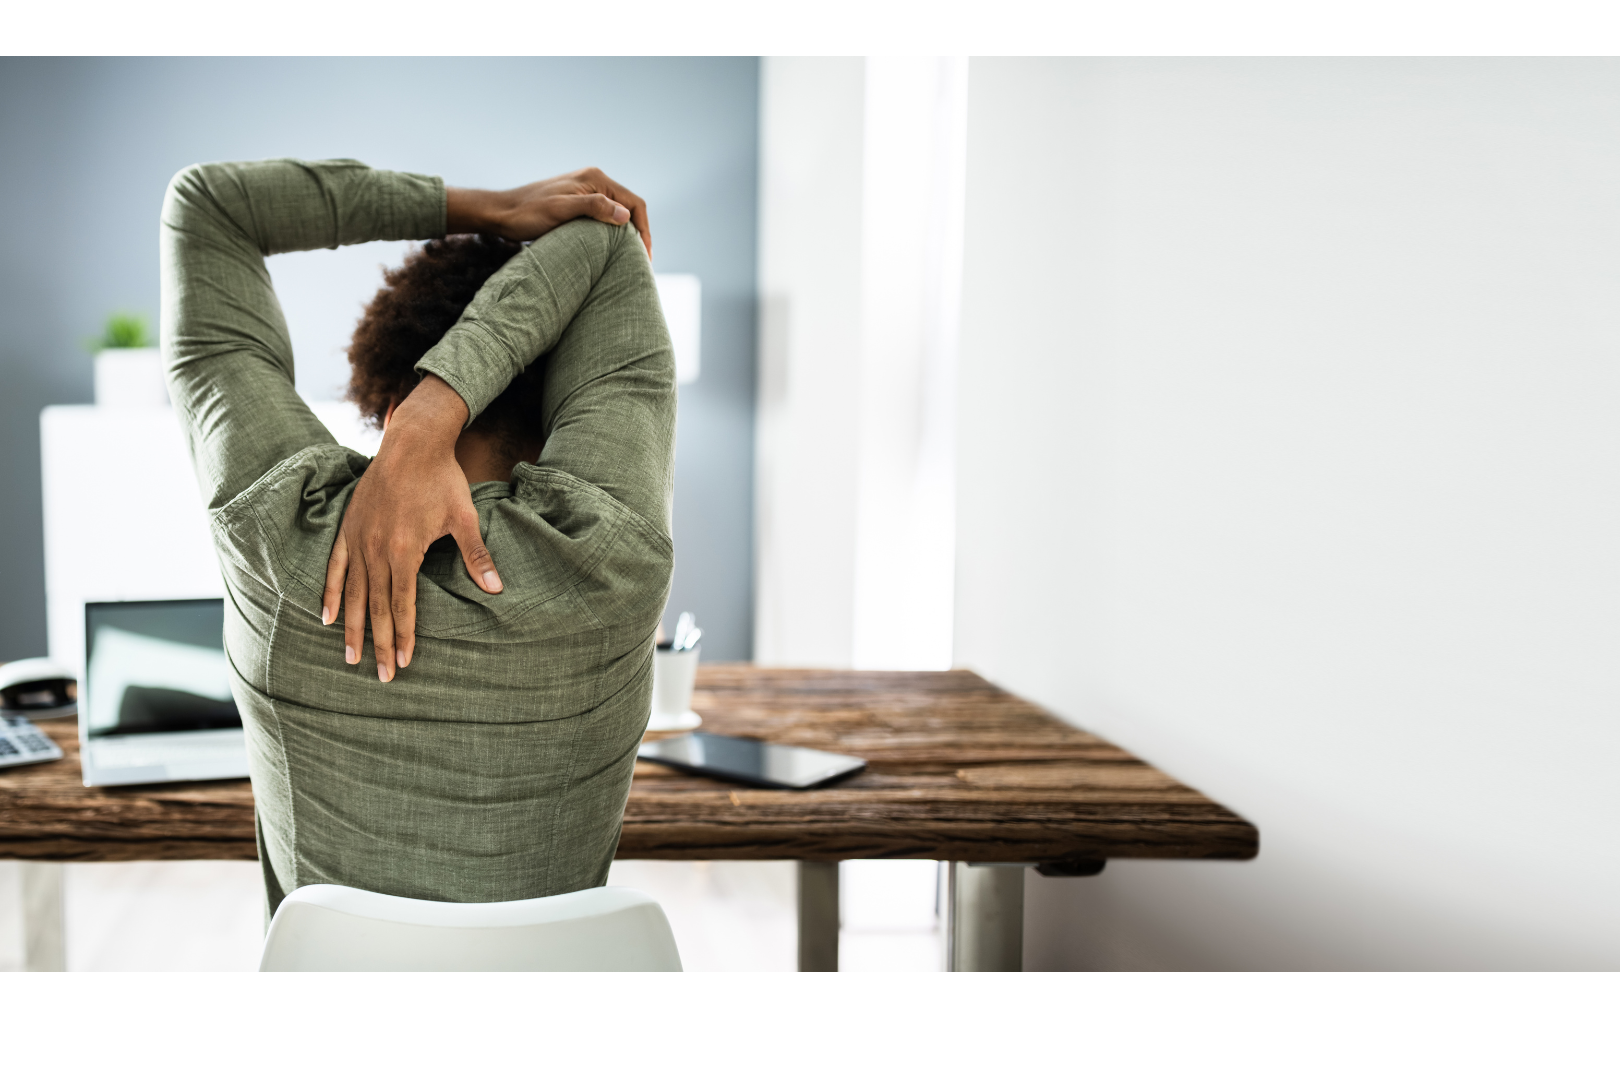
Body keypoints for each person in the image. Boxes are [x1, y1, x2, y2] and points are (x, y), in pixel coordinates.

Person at [160, 158, 675, 918]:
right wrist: (447, 402)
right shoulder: (607, 552)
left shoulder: (275, 529)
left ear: (386, 406)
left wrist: (488, 208)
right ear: (569, 396)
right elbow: (607, 235)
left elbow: (210, 206)